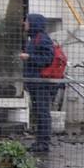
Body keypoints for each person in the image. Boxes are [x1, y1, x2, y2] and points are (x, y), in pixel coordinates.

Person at [20, 13, 56, 153]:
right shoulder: (34, 39)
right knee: (39, 113)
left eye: (27, 21)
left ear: (33, 23)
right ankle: (40, 142)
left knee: (43, 113)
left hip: (42, 83)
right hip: (36, 82)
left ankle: (43, 144)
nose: (25, 23)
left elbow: (47, 58)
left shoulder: (42, 39)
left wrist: (29, 57)